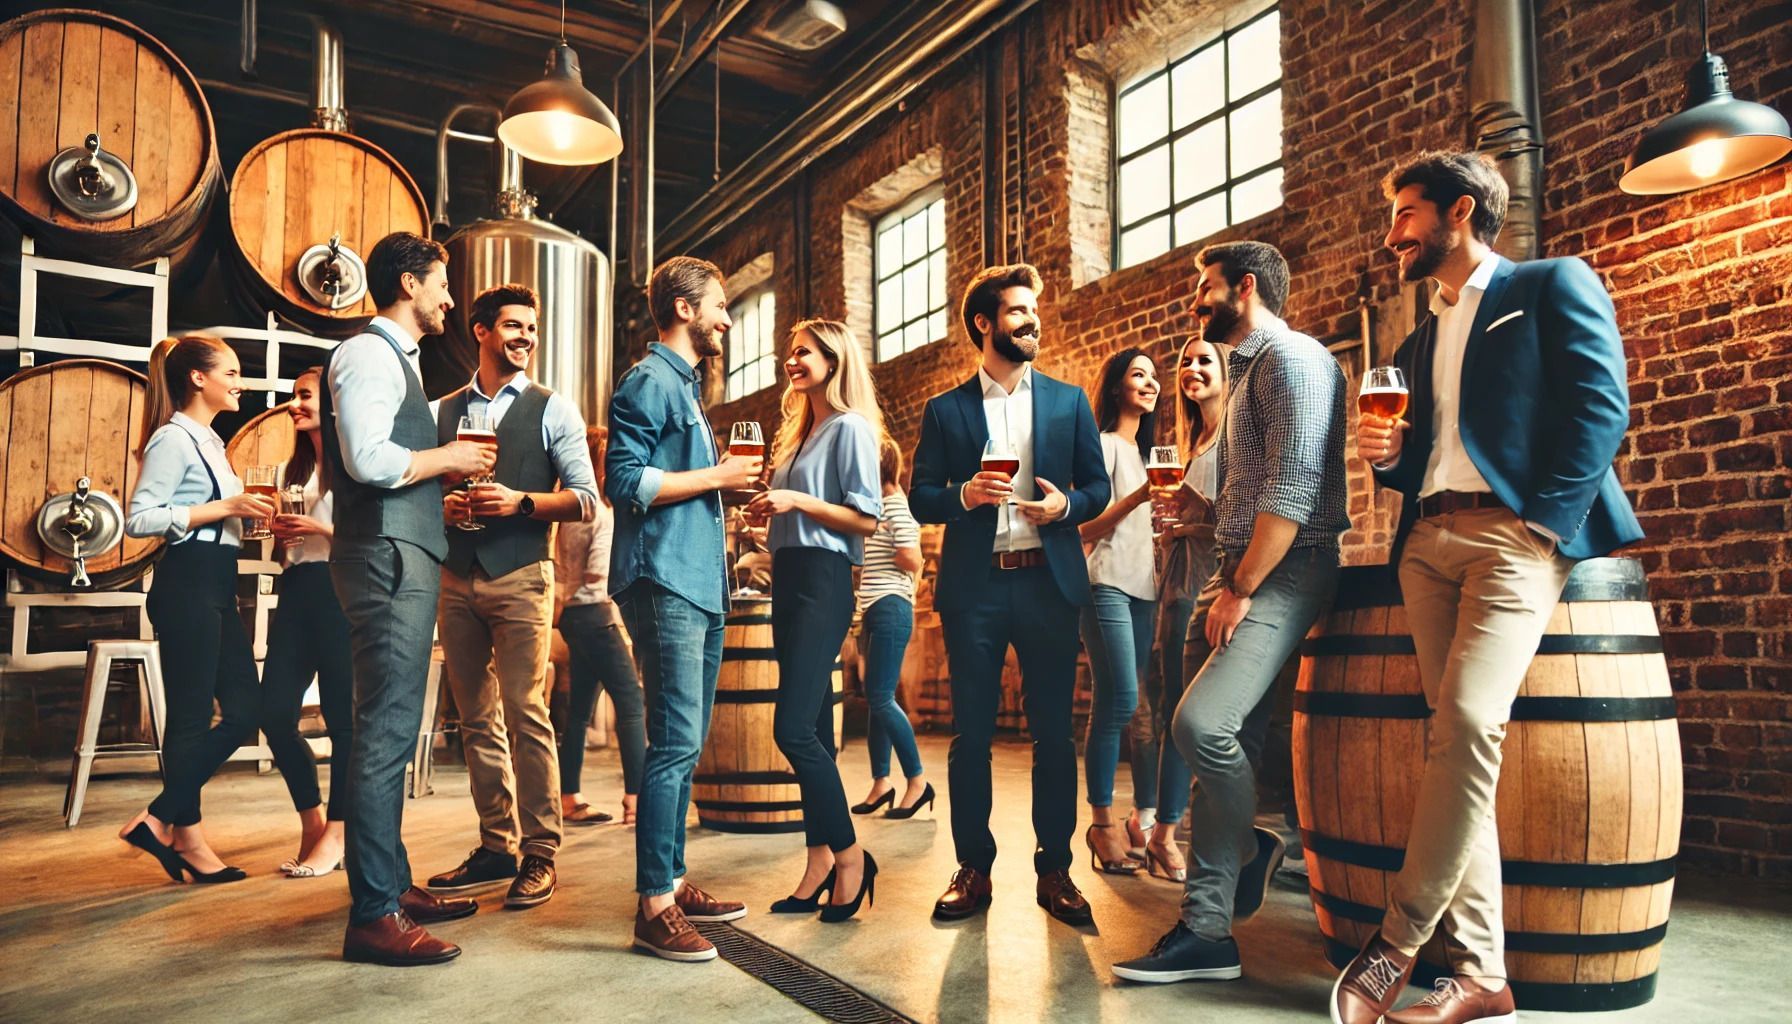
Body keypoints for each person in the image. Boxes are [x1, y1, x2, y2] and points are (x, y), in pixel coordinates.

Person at [1333, 151, 1641, 1024]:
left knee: (1468, 723)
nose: (1392, 232)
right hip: (1427, 539)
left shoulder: (1548, 285)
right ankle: (1482, 976)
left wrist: (1543, 522)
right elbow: (1421, 451)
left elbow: (1600, 404)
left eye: (1405, 214)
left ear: (1458, 212)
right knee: (1453, 747)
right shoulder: (1417, 337)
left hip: (1513, 540)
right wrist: (1388, 462)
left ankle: (1395, 945)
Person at [1113, 241, 1348, 983]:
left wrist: (1243, 586)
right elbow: (1252, 496)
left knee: (1198, 725)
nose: (1194, 303)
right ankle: (1207, 930)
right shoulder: (1248, 373)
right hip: (1236, 566)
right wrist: (1204, 508)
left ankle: (1253, 846)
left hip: (1283, 571)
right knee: (1222, 744)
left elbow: (1294, 490)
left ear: (1244, 288)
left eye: (1204, 289)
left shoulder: (1294, 359)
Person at [910, 263, 1111, 927]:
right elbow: (919, 495)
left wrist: (1068, 506)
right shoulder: (946, 411)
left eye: (1034, 311)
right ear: (984, 324)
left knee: (1054, 733)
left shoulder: (1067, 402)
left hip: (1048, 583)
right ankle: (973, 868)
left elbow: (1096, 489)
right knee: (972, 736)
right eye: (1019, 312)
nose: (1033, 322)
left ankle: (1055, 869)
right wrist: (960, 496)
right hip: (976, 589)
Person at [322, 231, 497, 966]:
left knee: (384, 728)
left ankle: (391, 882)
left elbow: (389, 461)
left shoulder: (395, 359)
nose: (450, 299)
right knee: (386, 731)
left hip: (403, 547)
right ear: (405, 282)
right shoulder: (367, 352)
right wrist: (449, 458)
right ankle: (373, 915)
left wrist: (438, 488)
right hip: (387, 554)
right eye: (442, 284)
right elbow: (366, 458)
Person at [423, 284, 598, 911]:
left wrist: (521, 502)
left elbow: (586, 498)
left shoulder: (554, 409)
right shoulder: (439, 409)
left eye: (532, 326)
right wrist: (437, 506)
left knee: (527, 710)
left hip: (522, 573)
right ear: (480, 331)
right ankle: (496, 844)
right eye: (514, 325)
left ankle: (540, 852)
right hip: (454, 574)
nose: (526, 336)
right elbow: (416, 487)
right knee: (475, 718)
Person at [607, 256, 762, 962]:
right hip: (664, 580)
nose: (727, 317)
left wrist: (723, 491)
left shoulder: (687, 389)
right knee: (672, 743)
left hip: (699, 581)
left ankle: (670, 876)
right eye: (720, 305)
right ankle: (654, 907)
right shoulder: (648, 380)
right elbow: (625, 482)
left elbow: (679, 485)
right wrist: (718, 475)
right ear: (681, 307)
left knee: (686, 743)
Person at [119, 335, 278, 884]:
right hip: (186, 583)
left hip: (216, 582)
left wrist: (241, 519)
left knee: (244, 710)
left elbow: (212, 513)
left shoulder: (209, 439)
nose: (242, 382)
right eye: (232, 372)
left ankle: (164, 820)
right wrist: (226, 506)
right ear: (197, 379)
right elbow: (138, 518)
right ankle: (185, 837)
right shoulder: (173, 438)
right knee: (191, 717)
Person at [744, 319, 885, 921]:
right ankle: (818, 862)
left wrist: (796, 502)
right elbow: (796, 522)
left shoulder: (850, 428)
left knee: (794, 729)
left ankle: (851, 856)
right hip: (791, 576)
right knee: (817, 734)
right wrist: (766, 532)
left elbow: (866, 519)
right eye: (789, 352)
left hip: (825, 583)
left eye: (803, 351)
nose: (791, 360)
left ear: (833, 359)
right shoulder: (800, 434)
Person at [1131, 336, 1232, 884]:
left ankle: (1172, 833)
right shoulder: (1194, 443)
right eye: (1187, 362)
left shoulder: (1235, 435)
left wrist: (1186, 520)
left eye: (1205, 361)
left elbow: (1234, 517)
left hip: (1212, 581)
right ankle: (1164, 834)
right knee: (1171, 708)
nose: (1192, 368)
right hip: (1178, 581)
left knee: (1194, 715)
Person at [260, 366, 354, 879]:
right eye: (294, 395)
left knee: (344, 723)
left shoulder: (355, 471)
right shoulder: (287, 473)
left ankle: (338, 835)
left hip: (341, 591)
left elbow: (367, 544)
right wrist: (279, 534)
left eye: (304, 395)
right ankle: (311, 822)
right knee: (273, 714)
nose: (294, 403)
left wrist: (318, 526)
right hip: (297, 593)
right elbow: (287, 551)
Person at [1076, 347, 1161, 875]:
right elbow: (1081, 529)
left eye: (1153, 375)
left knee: (1132, 705)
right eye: (1138, 374)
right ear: (1116, 388)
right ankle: (1101, 821)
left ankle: (1137, 821)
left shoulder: (1151, 457)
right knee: (1119, 700)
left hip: (1145, 588)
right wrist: (1137, 499)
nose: (1149, 383)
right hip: (1105, 583)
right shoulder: (1105, 447)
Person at [554, 425, 646, 828]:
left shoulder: (569, 512)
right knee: (631, 701)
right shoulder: (603, 515)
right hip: (595, 615)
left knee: (578, 711)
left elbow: (561, 569)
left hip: (573, 617)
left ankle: (568, 795)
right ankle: (636, 800)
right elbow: (599, 576)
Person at [851, 435, 931, 821]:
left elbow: (913, 559)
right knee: (875, 697)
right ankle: (881, 781)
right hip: (874, 608)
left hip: (890, 607)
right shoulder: (879, 507)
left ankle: (917, 780)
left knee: (881, 697)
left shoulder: (896, 506)